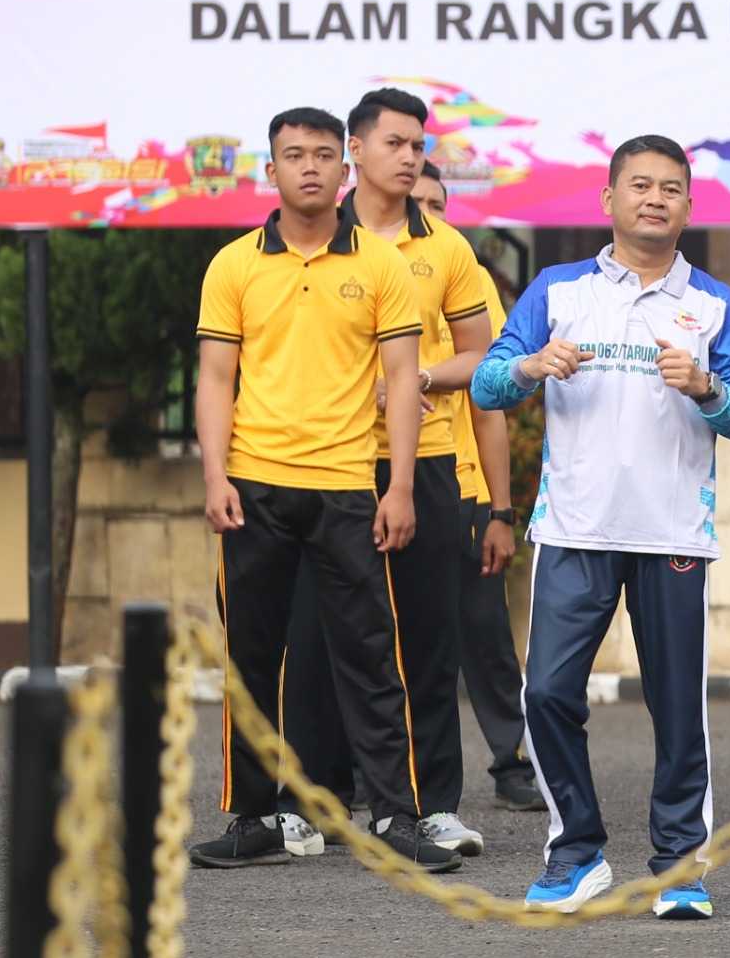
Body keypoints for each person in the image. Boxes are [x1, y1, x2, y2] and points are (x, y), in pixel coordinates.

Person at [471, 134, 730, 917]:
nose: (655, 199)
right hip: (574, 529)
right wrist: (531, 368)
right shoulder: (558, 291)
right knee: (546, 694)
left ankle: (678, 867)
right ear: (608, 200)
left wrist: (706, 388)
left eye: (672, 188)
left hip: (672, 533)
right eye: (639, 185)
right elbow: (486, 382)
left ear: (688, 208)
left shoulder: (713, 305)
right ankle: (577, 854)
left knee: (678, 708)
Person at [190, 106, 457, 873]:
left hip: (347, 486)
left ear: (344, 168)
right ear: (269, 171)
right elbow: (215, 379)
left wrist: (400, 485)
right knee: (250, 658)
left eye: (320, 156)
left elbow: (405, 379)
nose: (308, 169)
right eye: (291, 156)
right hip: (254, 486)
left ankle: (396, 817)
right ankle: (251, 818)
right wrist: (214, 475)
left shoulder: (379, 265)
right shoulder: (234, 264)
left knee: (374, 657)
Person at [279, 89, 492, 857]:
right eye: (395, 144)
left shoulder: (448, 250)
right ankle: (314, 800)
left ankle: (432, 804)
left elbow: (484, 356)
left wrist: (421, 378)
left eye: (417, 145)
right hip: (326, 463)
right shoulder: (304, 244)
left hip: (424, 463)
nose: (409, 157)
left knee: (425, 638)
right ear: (354, 153)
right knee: (315, 637)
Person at [415, 164, 538, 814]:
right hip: (371, 480)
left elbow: (489, 399)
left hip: (458, 485)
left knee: (484, 632)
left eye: (439, 202)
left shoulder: (466, 277)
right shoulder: (367, 273)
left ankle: (511, 756)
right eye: (417, 203)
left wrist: (500, 509)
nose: (428, 213)